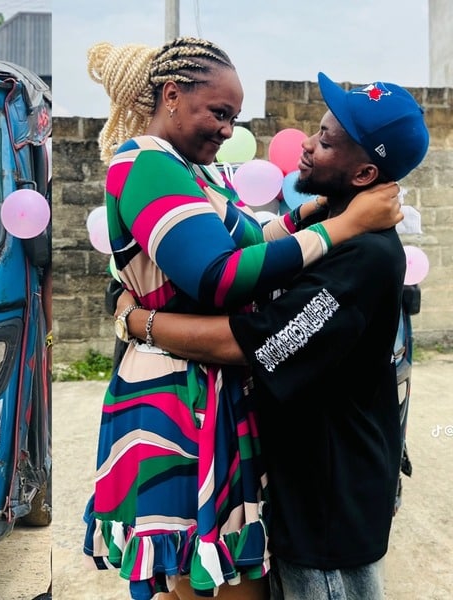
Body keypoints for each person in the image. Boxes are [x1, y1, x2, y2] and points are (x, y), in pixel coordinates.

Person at [82, 38, 402, 600]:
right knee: (206, 572)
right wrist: (340, 226)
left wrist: (312, 214)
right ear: (172, 96)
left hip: (212, 391)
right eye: (220, 113)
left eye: (233, 116)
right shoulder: (147, 164)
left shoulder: (190, 170)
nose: (229, 129)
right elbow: (216, 275)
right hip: (180, 396)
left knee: (202, 575)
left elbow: (251, 241)